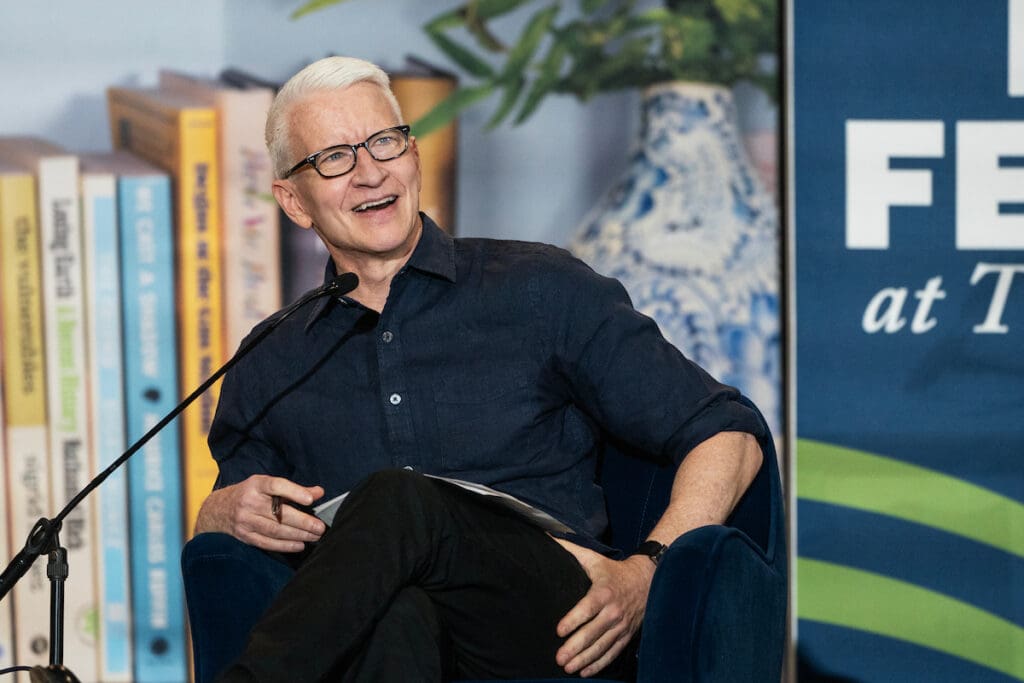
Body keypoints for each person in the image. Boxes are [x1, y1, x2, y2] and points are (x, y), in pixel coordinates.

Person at [196, 55, 767, 682]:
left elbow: (728, 433)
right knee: (398, 616)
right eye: (334, 158)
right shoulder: (270, 359)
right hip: (384, 632)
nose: (369, 174)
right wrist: (219, 513)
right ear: (293, 201)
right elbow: (234, 524)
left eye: (384, 142)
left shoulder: (539, 289)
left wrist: (649, 570)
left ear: (413, 156)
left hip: (553, 620)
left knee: (398, 498)